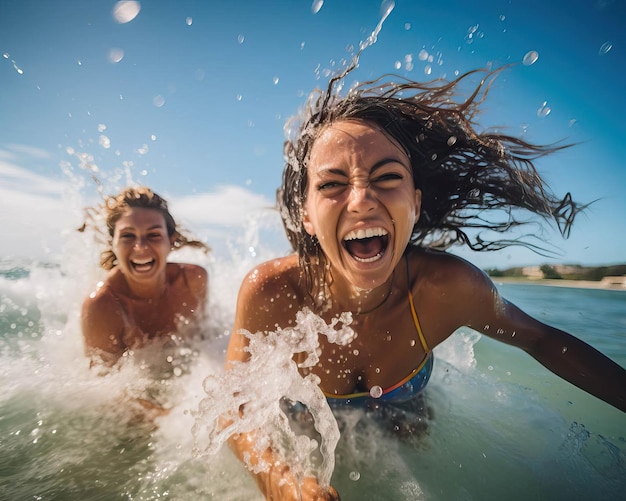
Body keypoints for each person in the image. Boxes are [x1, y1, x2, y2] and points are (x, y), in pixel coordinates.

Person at [224, 67, 626, 500]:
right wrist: (281, 483)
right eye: (333, 184)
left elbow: (542, 340)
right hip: (308, 416)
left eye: (387, 177)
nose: (361, 200)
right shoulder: (274, 292)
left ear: (414, 204)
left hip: (405, 407)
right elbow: (234, 407)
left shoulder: (446, 287)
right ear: (306, 215)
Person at [80, 186, 210, 368]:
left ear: (171, 241)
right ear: (113, 244)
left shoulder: (192, 280)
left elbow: (205, 343)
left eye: (153, 235)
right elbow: (105, 386)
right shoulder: (102, 306)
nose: (140, 247)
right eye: (128, 236)